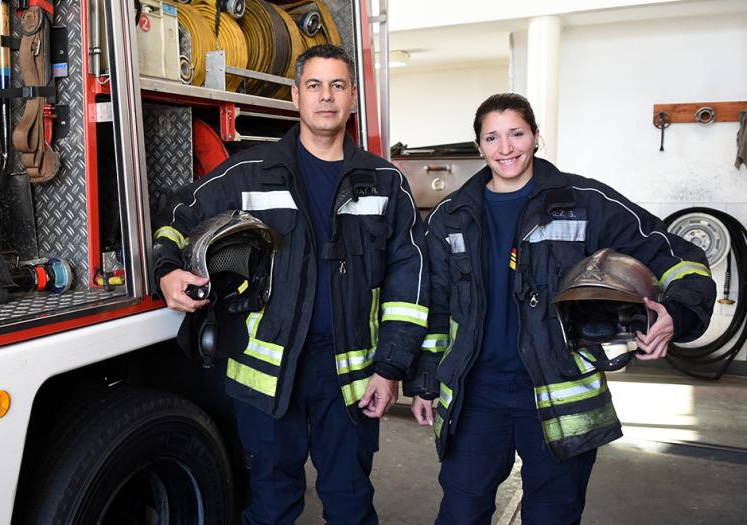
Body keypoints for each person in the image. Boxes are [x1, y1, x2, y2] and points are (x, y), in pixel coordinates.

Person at [404, 92, 715, 524]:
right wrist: (425, 380)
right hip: (478, 396)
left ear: (535, 137)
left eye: (516, 133)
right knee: (461, 511)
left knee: (553, 515)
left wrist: (676, 314)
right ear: (479, 147)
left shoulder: (587, 203)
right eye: (492, 137)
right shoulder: (450, 217)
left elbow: (677, 257)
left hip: (559, 392)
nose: (505, 147)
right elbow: (437, 308)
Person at [153, 44, 428, 524]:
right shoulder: (248, 172)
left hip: (349, 375)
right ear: (297, 96)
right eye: (315, 85)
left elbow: (410, 280)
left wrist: (390, 368)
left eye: (338, 85)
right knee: (271, 504)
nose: (326, 97)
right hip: (267, 370)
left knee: (350, 502)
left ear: (353, 99)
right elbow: (179, 215)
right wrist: (169, 267)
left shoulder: (385, 183)